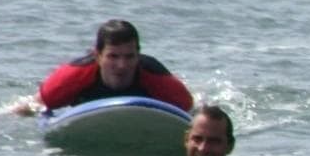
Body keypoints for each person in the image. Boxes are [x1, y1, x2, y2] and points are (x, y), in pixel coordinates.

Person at [13, 19, 194, 116]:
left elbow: (189, 109)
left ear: (138, 55)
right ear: (98, 56)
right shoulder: (74, 75)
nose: (122, 65)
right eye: (113, 56)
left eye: (129, 56)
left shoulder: (155, 76)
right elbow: (36, 105)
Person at [166, 104, 249, 156]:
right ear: (186, 140)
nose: (203, 148)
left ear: (230, 146)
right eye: (197, 139)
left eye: (213, 141)